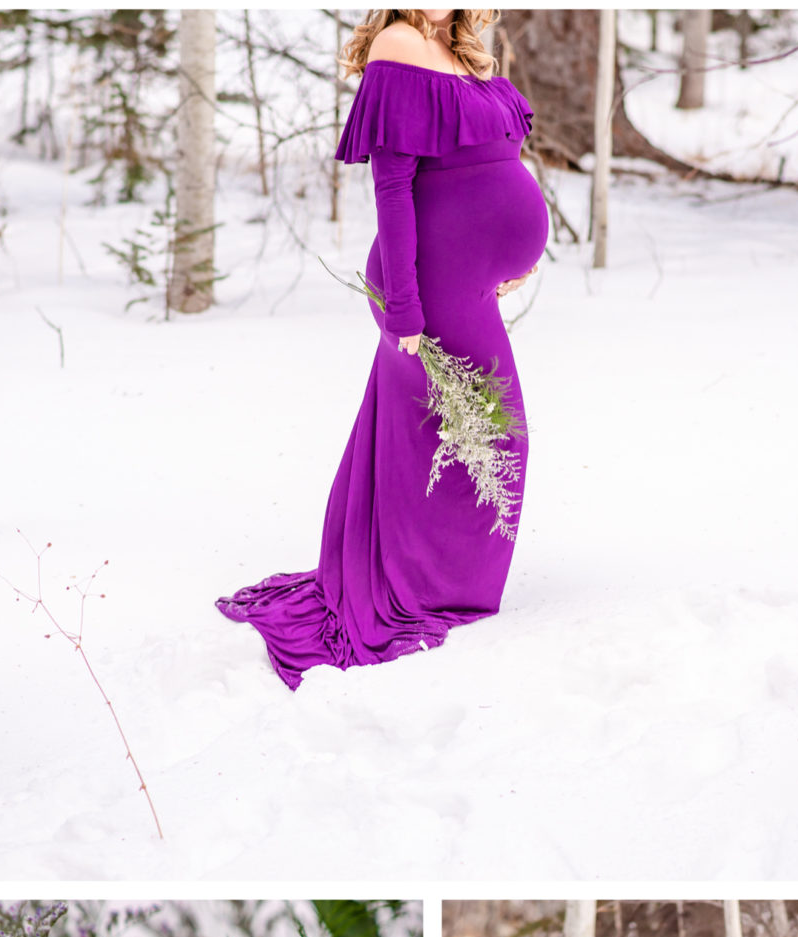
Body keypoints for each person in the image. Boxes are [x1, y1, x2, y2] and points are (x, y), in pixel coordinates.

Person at [215, 8, 549, 686]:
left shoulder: (461, 50)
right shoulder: (400, 43)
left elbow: (491, 165)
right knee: (485, 432)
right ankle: (429, 589)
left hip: (466, 280)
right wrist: (403, 306)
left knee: (453, 434)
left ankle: (430, 576)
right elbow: (392, 188)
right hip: (427, 282)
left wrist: (515, 253)